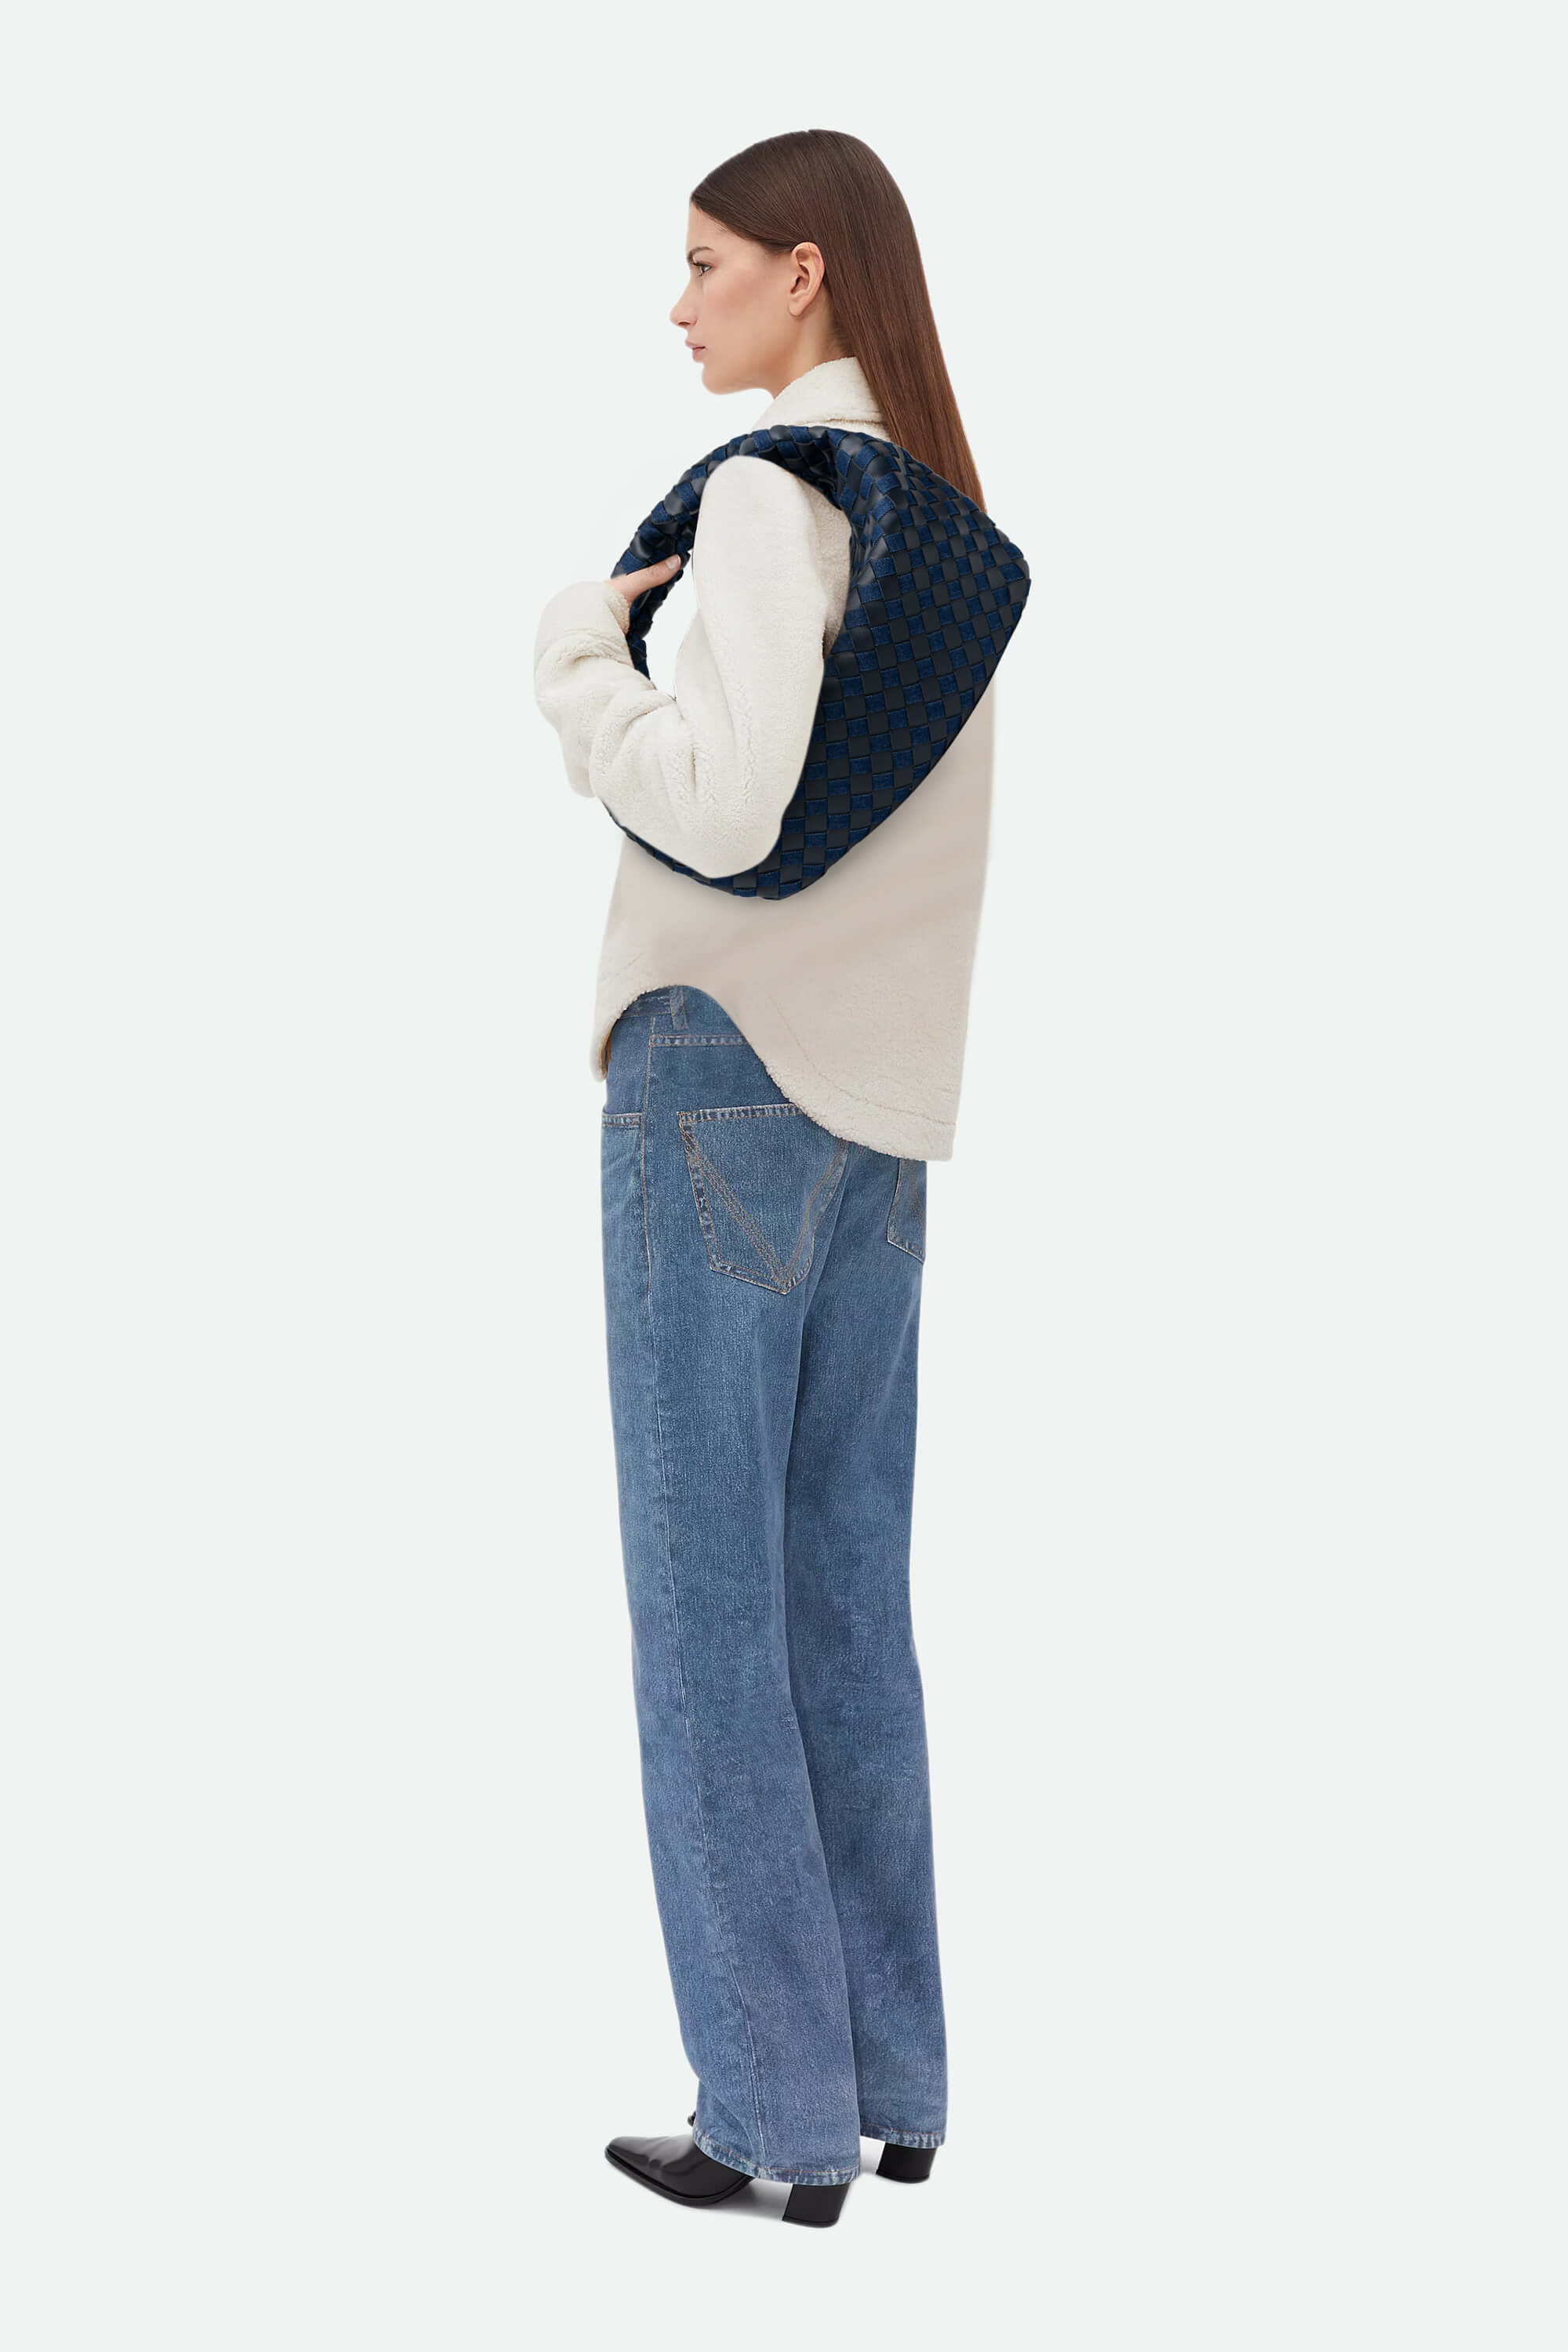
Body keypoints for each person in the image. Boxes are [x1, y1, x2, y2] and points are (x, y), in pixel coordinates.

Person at [532, 129, 1000, 2229]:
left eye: (709, 262)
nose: (680, 301)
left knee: (707, 1604)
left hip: (716, 1072)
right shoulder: (945, 524)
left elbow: (723, 810)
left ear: (806, 273)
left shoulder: (757, 496)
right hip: (881, 1111)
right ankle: (887, 2084)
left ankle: (770, 2116)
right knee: (841, 1601)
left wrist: (576, 669)